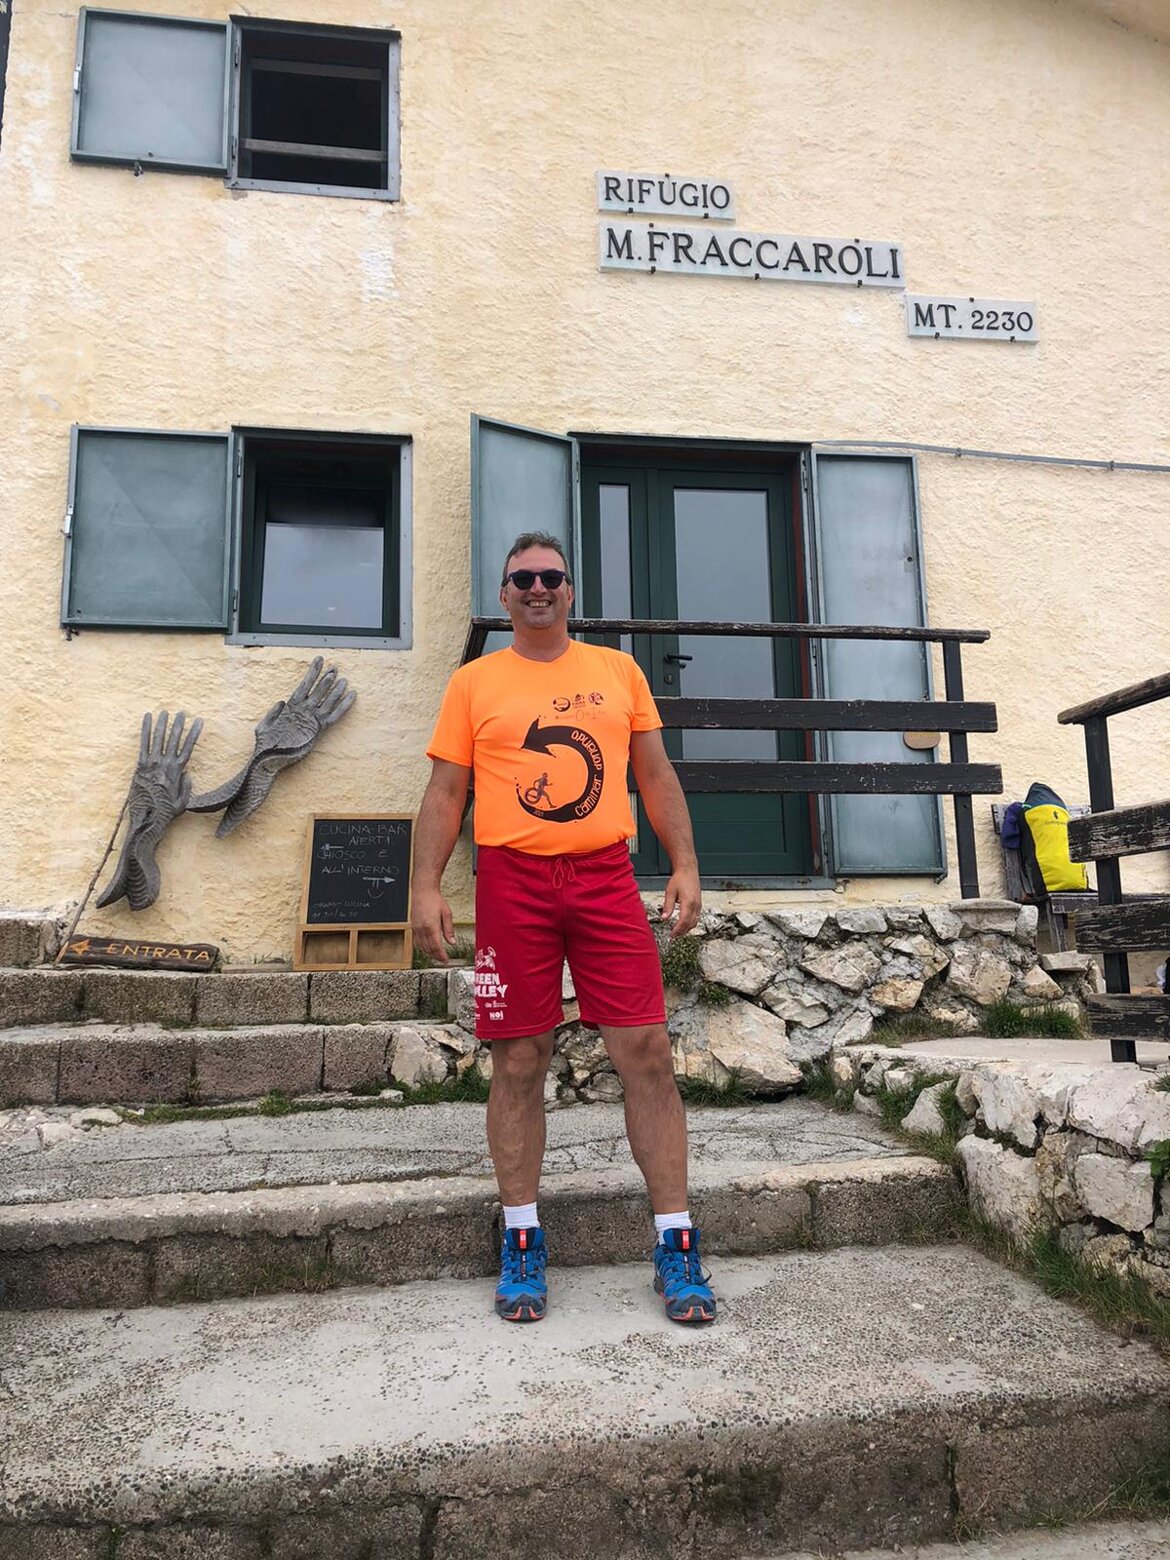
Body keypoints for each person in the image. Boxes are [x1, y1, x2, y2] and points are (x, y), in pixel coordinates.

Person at [411, 531, 716, 1325]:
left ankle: (677, 1243)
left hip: (605, 879)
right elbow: (446, 792)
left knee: (646, 1050)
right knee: (518, 1058)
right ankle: (520, 1239)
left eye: (551, 576)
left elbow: (654, 774)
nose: (538, 588)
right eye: (523, 580)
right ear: (504, 596)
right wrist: (425, 886)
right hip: (511, 886)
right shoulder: (473, 683)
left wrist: (685, 864)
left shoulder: (618, 672)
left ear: (570, 591)